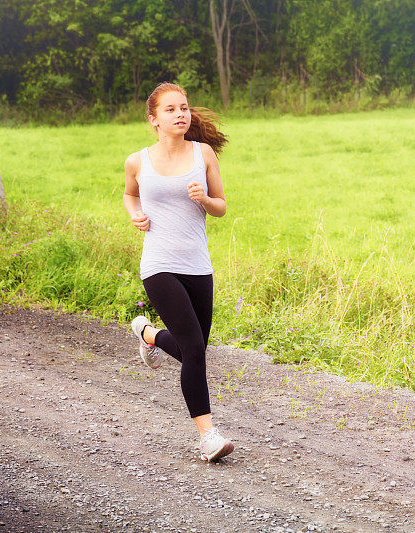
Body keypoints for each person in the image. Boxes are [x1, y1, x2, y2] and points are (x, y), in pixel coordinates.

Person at [122, 81, 234, 462]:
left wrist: (204, 199)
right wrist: (134, 213)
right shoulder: (138, 161)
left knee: (195, 350)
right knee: (194, 350)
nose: (181, 113)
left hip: (198, 266)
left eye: (184, 107)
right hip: (159, 266)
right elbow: (130, 192)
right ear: (154, 119)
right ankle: (208, 437)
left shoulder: (203, 154)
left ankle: (149, 334)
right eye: (170, 109)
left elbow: (220, 206)